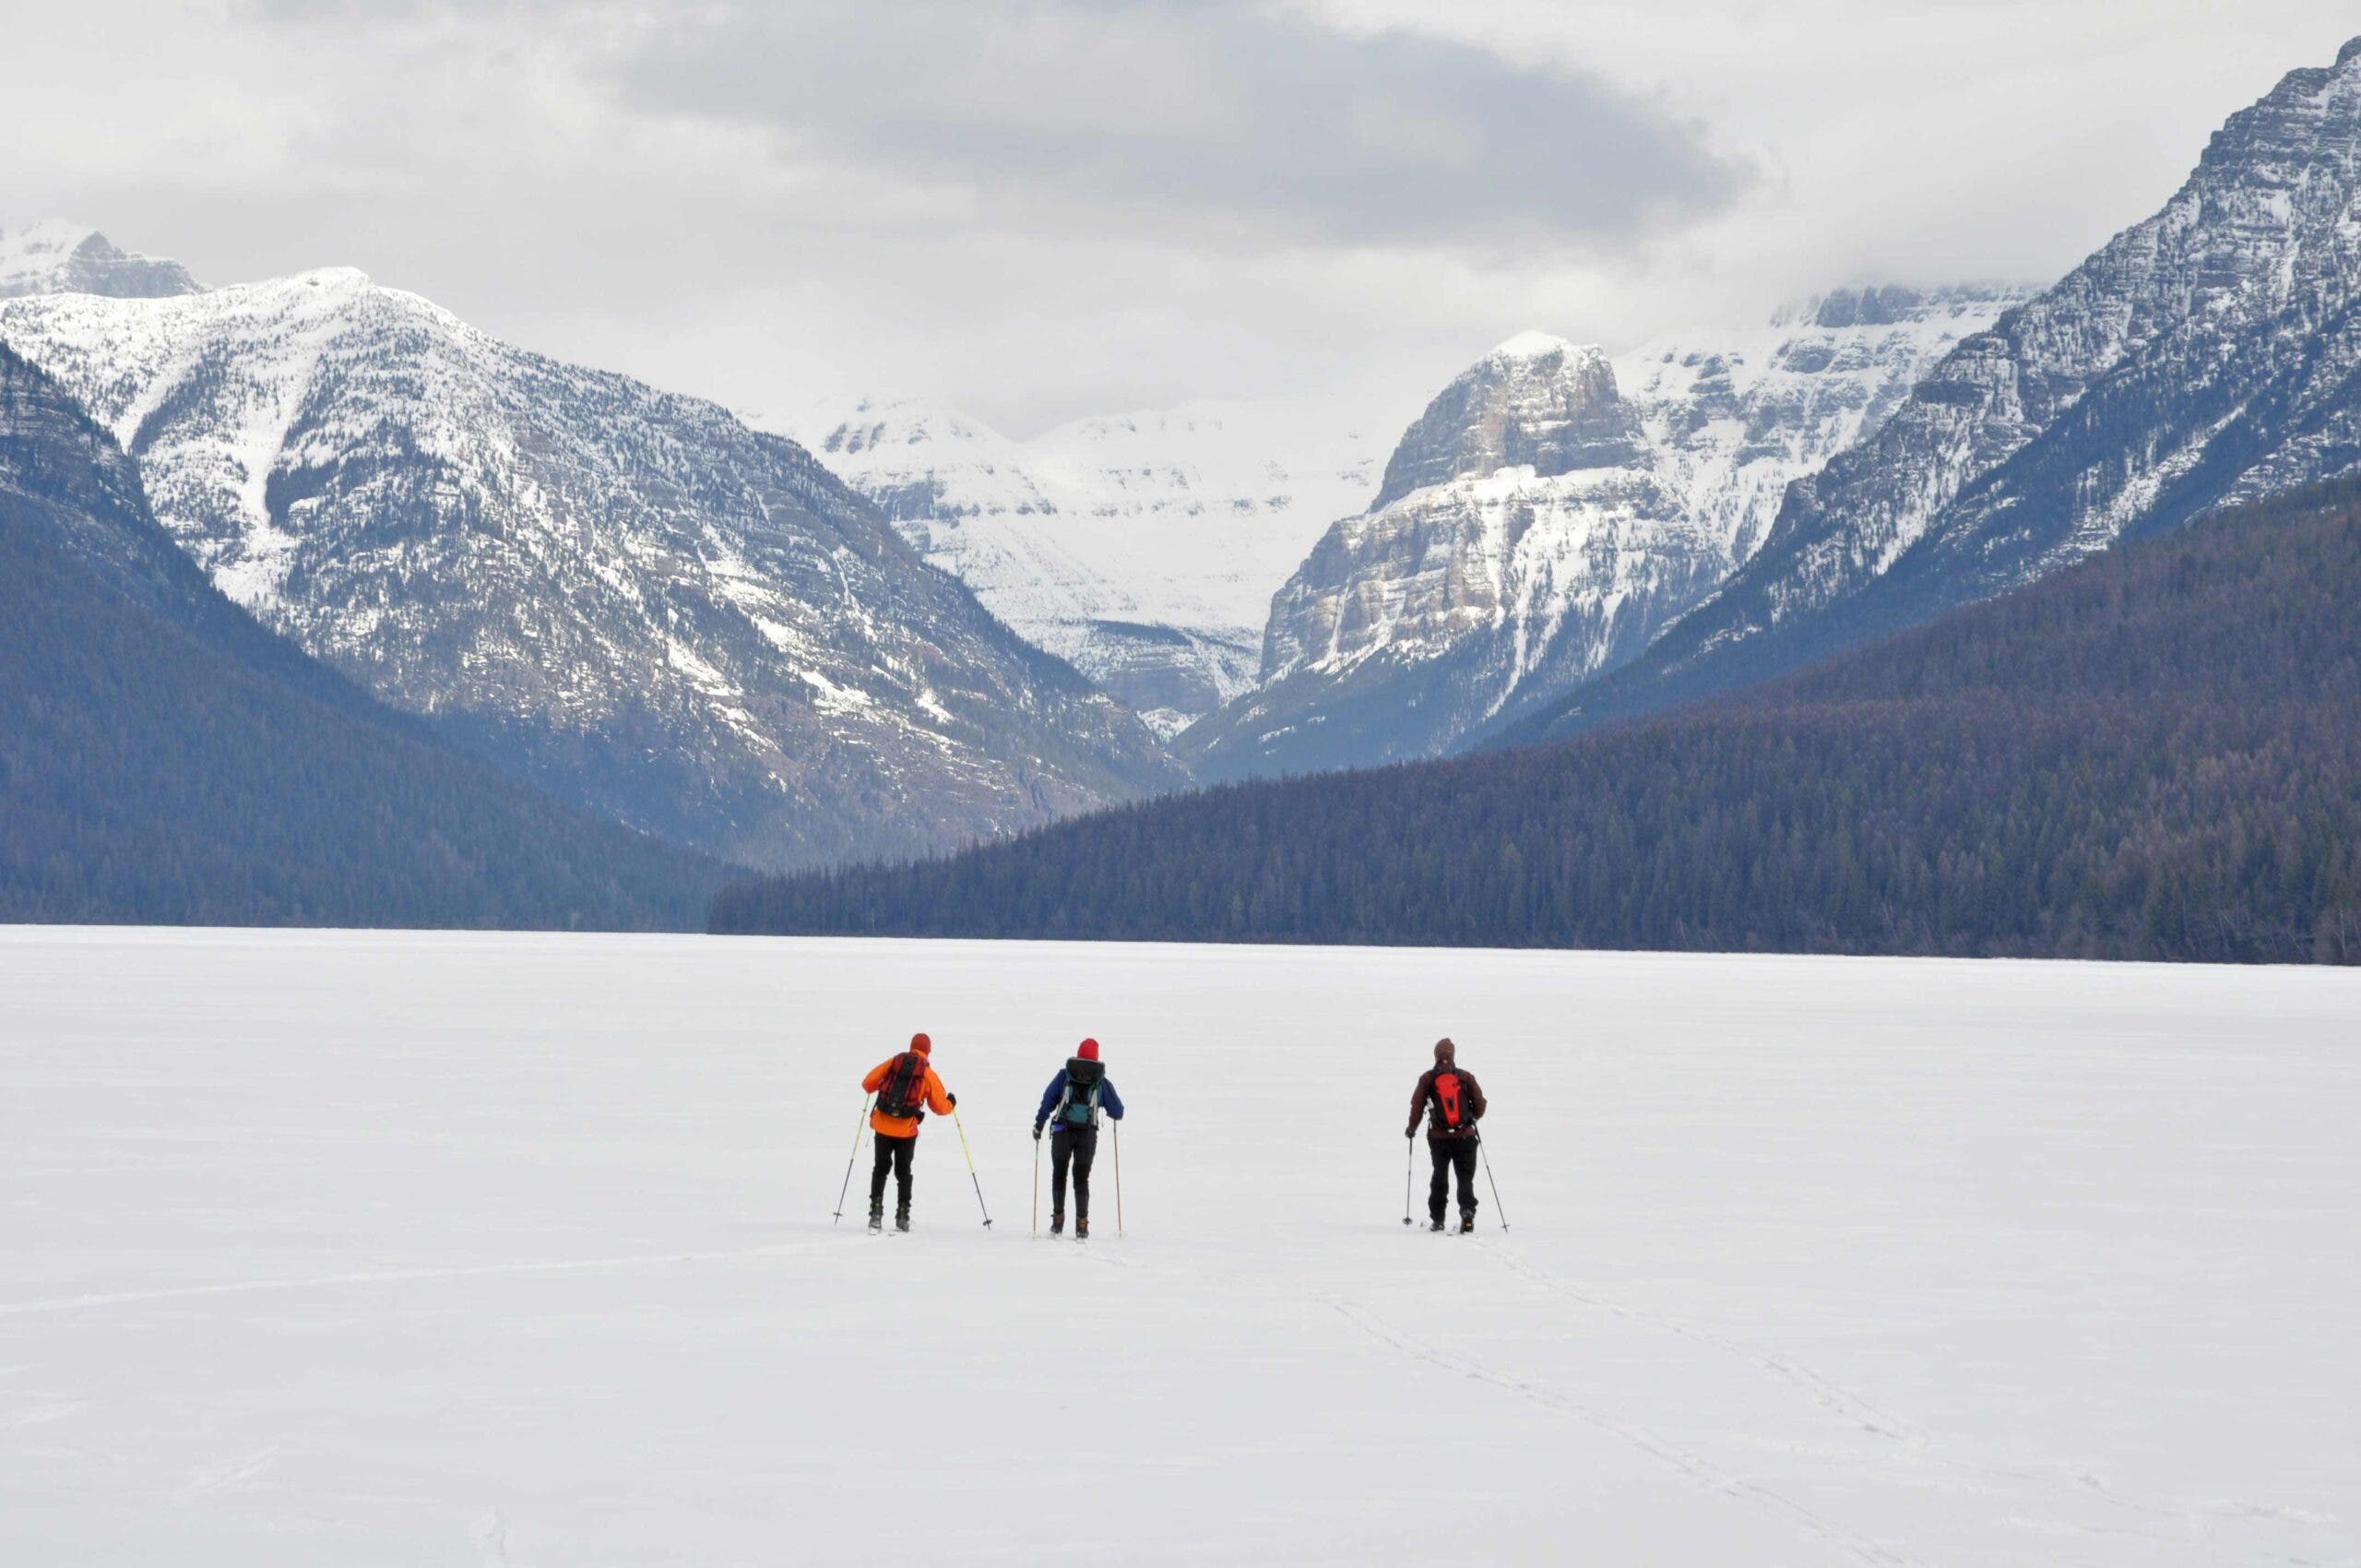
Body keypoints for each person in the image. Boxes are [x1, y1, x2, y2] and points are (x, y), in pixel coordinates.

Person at [861, 1032, 955, 1232]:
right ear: (928, 1051)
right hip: (906, 1130)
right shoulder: (927, 1073)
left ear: (911, 1046)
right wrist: (951, 1103)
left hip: (883, 1125)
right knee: (903, 1172)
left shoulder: (894, 1062)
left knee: (880, 1168)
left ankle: (875, 1214)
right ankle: (902, 1216)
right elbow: (940, 1107)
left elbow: (868, 1083)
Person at [1032, 1038, 1124, 1239]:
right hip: (1087, 1136)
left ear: (1078, 1053)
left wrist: (1039, 1124)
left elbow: (1048, 1100)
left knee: (1059, 1174)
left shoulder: (1064, 1075)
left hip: (1061, 1130)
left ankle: (1057, 1222)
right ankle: (1082, 1225)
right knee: (1081, 1179)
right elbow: (1118, 1111)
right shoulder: (1100, 1081)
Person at [1406, 1037, 1486, 1232]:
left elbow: (1417, 1106)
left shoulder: (1427, 1079)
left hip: (1439, 1138)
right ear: (1453, 1055)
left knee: (1440, 1176)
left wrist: (1412, 1128)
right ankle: (1467, 1212)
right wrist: (1471, 1119)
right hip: (1465, 1136)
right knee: (1465, 1178)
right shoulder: (1466, 1077)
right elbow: (1480, 1104)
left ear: (1436, 1055)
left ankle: (1438, 1219)